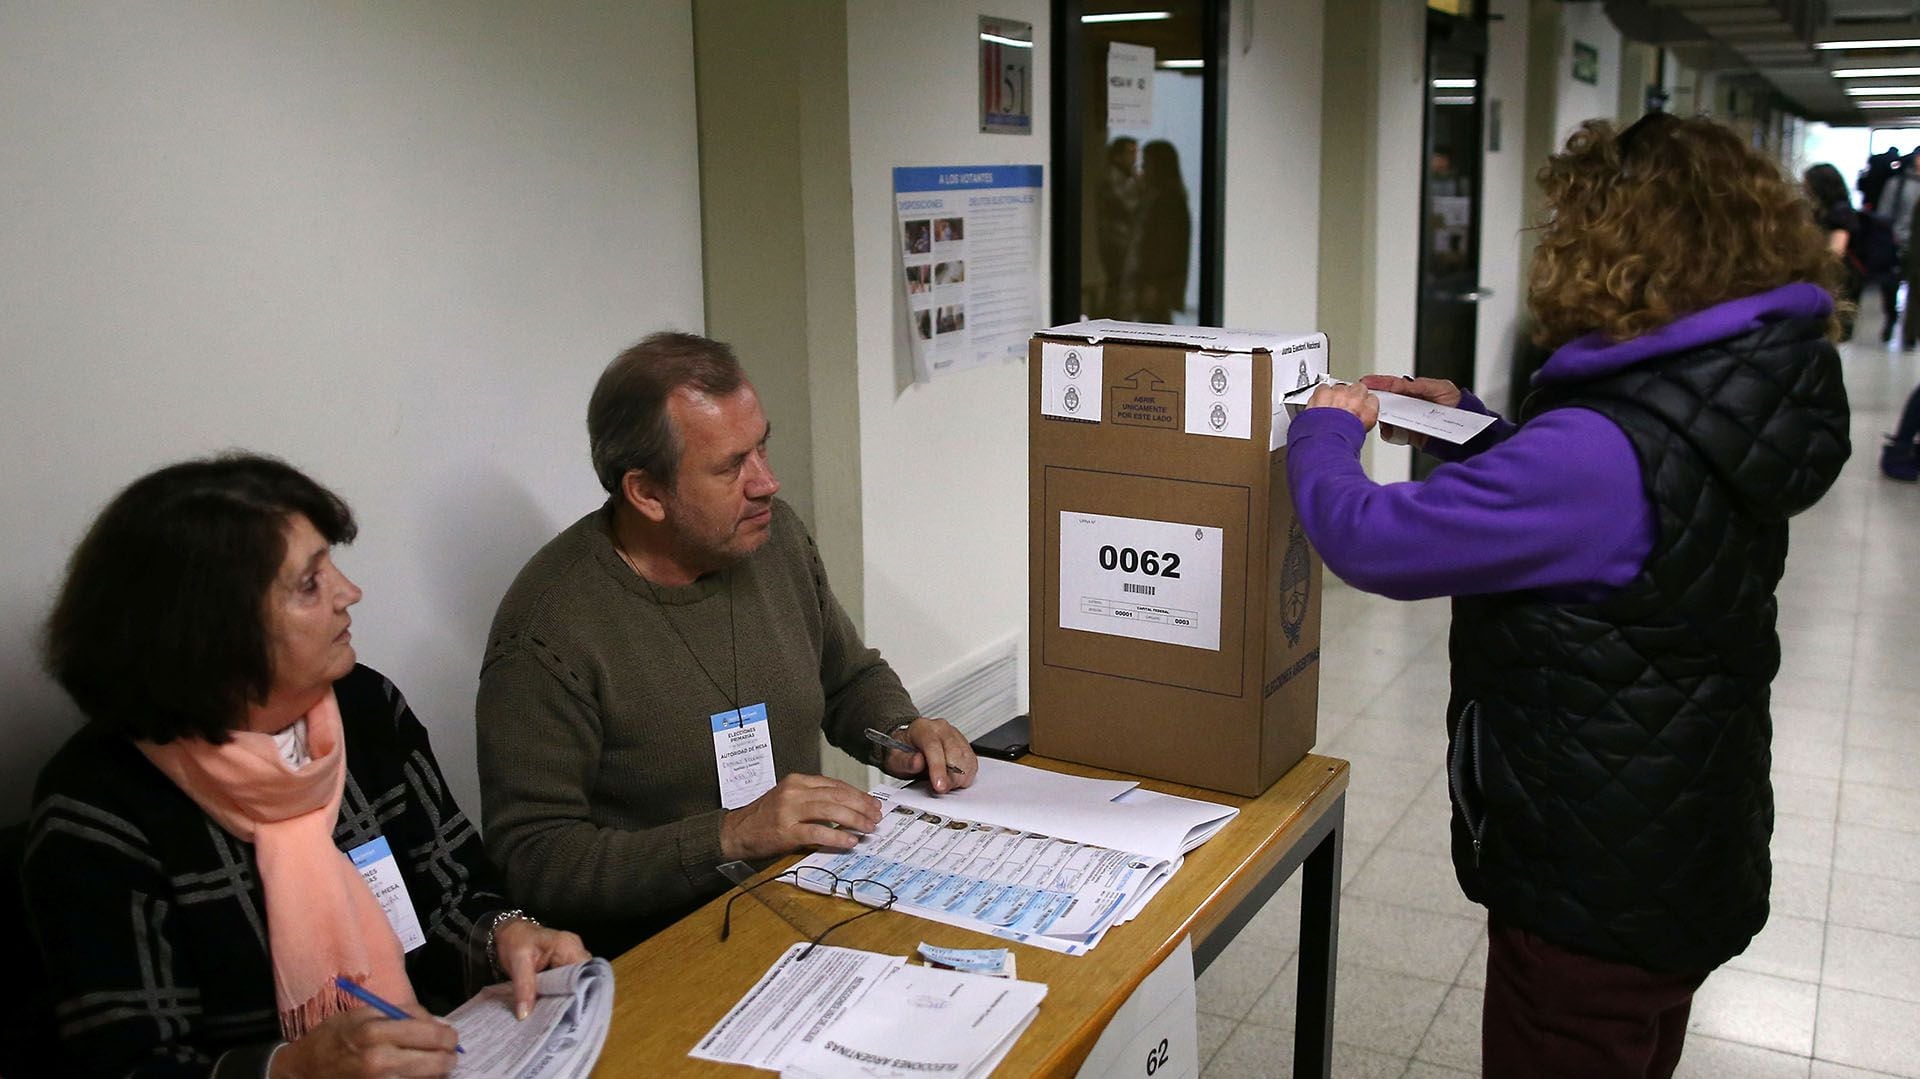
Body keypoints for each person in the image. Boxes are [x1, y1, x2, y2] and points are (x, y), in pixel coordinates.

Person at [1288, 114, 1849, 1077]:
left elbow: (1374, 541)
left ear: (1617, 247)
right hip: (1686, 843)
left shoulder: (1597, 450)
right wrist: (1468, 427)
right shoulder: (1728, 400)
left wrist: (1322, 438)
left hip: (1592, 877)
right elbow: (1622, 509)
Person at [22, 454, 588, 1078]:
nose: (350, 594)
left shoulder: (367, 708)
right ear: (213, 633)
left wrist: (503, 935)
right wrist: (289, 1069)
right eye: (310, 584)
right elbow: (128, 1065)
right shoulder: (98, 808)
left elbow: (453, 890)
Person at [477, 331, 976, 957]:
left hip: (802, 899)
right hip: (661, 952)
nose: (766, 482)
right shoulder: (549, 632)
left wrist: (902, 732)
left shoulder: (773, 539)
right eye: (730, 466)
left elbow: (846, 678)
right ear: (647, 493)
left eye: (762, 445)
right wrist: (730, 836)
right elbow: (536, 859)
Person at [1807, 161, 1898, 341]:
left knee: (1834, 331)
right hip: (1840, 277)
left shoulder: (1839, 213)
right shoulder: (1831, 210)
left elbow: (1836, 250)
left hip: (1842, 278)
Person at [1125, 140, 1192, 323]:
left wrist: (1153, 284)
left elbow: (1165, 247)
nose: (1143, 169)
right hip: (1153, 283)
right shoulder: (1158, 196)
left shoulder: (1168, 200)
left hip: (1156, 285)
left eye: (1147, 163)